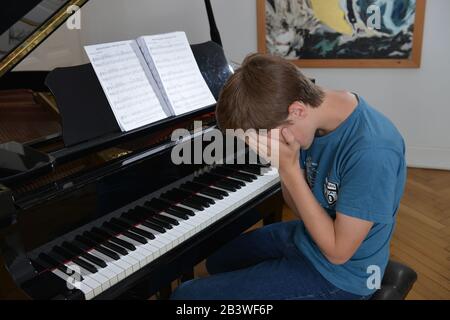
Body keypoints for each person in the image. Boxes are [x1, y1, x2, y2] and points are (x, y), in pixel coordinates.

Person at [171, 53, 407, 300]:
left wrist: (288, 168)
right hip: (308, 238)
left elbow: (338, 252)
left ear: (296, 111)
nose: (260, 149)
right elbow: (294, 202)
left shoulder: (372, 152)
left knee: (186, 296)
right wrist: (288, 165)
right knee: (215, 261)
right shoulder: (310, 119)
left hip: (344, 277)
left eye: (262, 140)